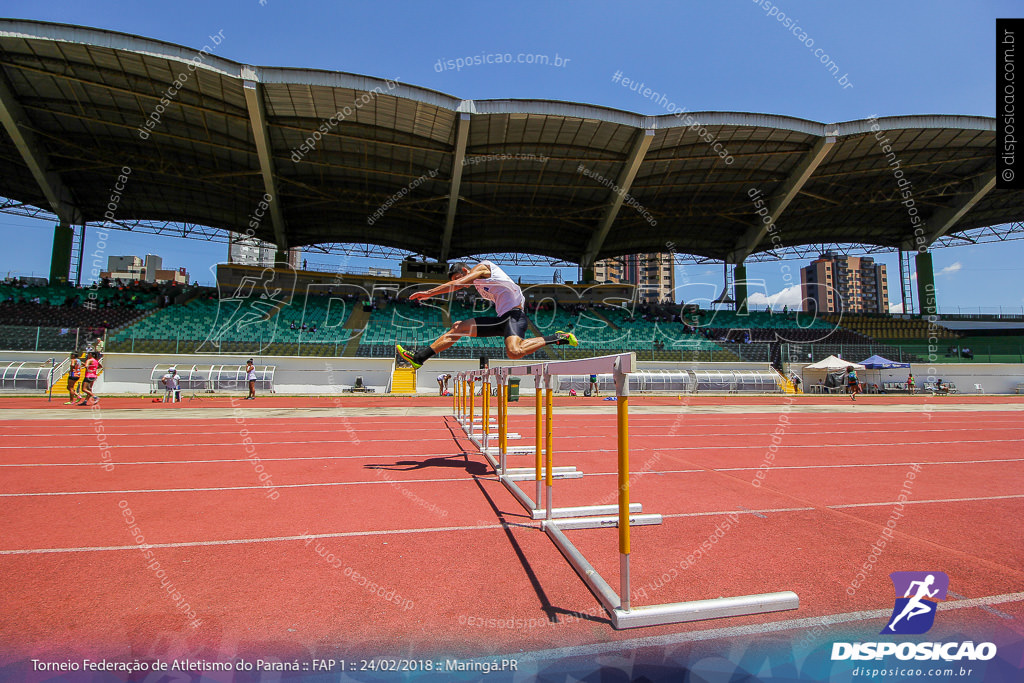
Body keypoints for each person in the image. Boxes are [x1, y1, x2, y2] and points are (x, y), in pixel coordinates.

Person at [395, 261, 578, 368]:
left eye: (458, 277)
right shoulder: (478, 283)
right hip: (501, 318)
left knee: (515, 352)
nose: (460, 283)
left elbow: (458, 285)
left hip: (515, 316)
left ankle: (558, 337)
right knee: (458, 327)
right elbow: (461, 284)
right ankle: (419, 358)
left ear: (465, 271)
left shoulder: (483, 268)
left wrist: (429, 293)